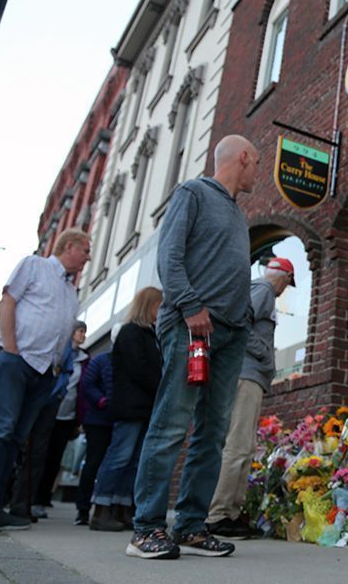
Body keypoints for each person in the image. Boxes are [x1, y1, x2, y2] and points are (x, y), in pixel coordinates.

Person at [127, 135, 258, 560]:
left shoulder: (237, 213)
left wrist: (242, 320)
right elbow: (169, 255)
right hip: (193, 328)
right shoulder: (193, 192)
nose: (257, 171)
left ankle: (190, 527)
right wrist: (189, 305)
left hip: (230, 334)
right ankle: (146, 529)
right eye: (257, 163)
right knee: (171, 423)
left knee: (213, 432)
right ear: (244, 157)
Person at [0, 228, 91, 535]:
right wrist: (10, 347)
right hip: (16, 361)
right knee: (0, 431)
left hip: (44, 373)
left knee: (17, 439)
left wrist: (56, 368)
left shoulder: (70, 291)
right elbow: (8, 301)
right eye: (85, 250)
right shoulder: (35, 265)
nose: (88, 257)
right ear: (69, 246)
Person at [206, 257, 294, 538]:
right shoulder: (264, 290)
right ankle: (219, 514)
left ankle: (230, 512)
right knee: (238, 445)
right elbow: (241, 324)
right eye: (287, 284)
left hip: (247, 375)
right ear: (283, 277)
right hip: (247, 375)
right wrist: (265, 354)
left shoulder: (258, 289)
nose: (284, 290)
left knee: (242, 445)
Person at [91, 287, 163, 532]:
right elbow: (139, 368)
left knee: (133, 460)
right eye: (159, 305)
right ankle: (101, 507)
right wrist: (160, 385)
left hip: (142, 406)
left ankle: (121, 505)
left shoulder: (149, 334)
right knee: (119, 456)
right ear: (149, 305)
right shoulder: (131, 332)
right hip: (131, 405)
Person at [30, 321, 88, 519]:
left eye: (85, 332)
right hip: (49, 410)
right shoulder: (60, 351)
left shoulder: (84, 359)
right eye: (80, 331)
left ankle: (43, 497)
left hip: (67, 415)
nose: (83, 335)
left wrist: (79, 417)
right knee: (40, 453)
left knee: (55, 458)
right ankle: (31, 497)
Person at [74, 335, 117, 526]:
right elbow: (87, 384)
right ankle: (83, 509)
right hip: (98, 420)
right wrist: (102, 401)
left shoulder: (128, 362)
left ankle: (108, 507)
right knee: (93, 463)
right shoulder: (100, 360)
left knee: (113, 465)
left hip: (118, 420)